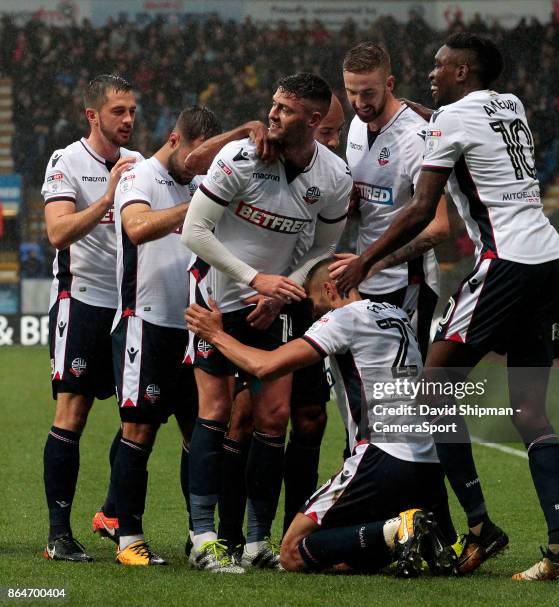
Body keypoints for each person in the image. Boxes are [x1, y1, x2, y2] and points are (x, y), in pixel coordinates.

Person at [337, 33, 559, 582]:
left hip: (506, 262)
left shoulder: (450, 121)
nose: (433, 71)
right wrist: (427, 114)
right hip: (549, 260)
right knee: (529, 411)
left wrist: (365, 262)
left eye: (442, 65)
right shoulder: (508, 104)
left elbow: (423, 207)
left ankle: (478, 526)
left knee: (430, 391)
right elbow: (454, 121)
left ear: (464, 72)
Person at [184, 258, 458, 576]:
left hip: (381, 455)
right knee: (335, 553)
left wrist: (215, 334)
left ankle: (396, 530)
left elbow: (265, 366)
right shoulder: (397, 314)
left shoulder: (342, 318)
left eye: (315, 306)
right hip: (426, 461)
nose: (316, 314)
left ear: (329, 289)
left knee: (291, 553)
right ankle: (407, 534)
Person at [180, 73, 353, 571]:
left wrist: (280, 293)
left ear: (314, 120)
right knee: (213, 411)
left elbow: (322, 247)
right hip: (219, 300)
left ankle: (257, 542)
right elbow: (195, 230)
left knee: (274, 416)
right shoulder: (240, 158)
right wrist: (256, 279)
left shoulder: (334, 178)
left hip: (273, 303)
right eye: (273, 104)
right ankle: (204, 536)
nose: (272, 114)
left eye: (285, 108)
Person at [110, 105, 223, 566]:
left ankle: (200, 536)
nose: (201, 171)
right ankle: (128, 539)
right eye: (197, 159)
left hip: (193, 325)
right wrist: (192, 208)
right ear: (176, 141)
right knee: (138, 431)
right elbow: (135, 228)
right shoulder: (141, 177)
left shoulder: (197, 181)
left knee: (199, 433)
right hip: (145, 321)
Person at [41, 75, 140, 562]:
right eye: (118, 111)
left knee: (138, 416)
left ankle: (110, 513)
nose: (128, 120)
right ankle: (59, 535)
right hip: (80, 301)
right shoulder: (67, 161)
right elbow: (58, 233)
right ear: (92, 115)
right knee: (73, 413)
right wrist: (106, 198)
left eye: (132, 111)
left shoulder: (140, 164)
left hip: (130, 308)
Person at [329, 42, 449, 359]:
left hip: (408, 281)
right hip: (365, 275)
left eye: (367, 93)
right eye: (350, 92)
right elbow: (369, 204)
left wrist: (372, 261)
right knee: (377, 386)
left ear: (390, 84)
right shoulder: (355, 126)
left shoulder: (417, 138)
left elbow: (438, 227)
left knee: (413, 387)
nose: (358, 102)